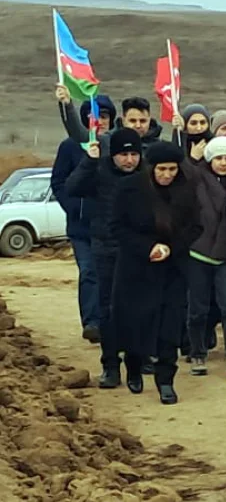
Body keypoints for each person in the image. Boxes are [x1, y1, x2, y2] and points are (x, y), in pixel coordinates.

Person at [109, 142, 200, 404]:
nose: (167, 175)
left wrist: (172, 248)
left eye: (172, 169)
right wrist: (148, 247)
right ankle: (134, 365)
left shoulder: (185, 190)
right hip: (136, 268)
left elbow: (195, 227)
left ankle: (166, 380)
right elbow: (117, 227)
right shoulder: (129, 189)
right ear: (151, 168)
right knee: (136, 322)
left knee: (170, 325)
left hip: (173, 269)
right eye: (162, 169)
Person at [65, 129, 144, 389]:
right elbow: (72, 187)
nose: (129, 160)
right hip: (105, 249)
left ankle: (136, 367)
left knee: (135, 310)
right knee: (107, 310)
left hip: (137, 251)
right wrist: (89, 160)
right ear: (114, 154)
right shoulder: (99, 171)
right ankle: (110, 366)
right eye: (124, 154)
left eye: (134, 154)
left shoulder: (146, 176)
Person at [184, 135, 226, 379]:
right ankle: (197, 352)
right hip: (198, 252)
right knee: (198, 307)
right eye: (219, 158)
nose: (224, 163)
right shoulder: (195, 177)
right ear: (210, 158)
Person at [51, 92, 116, 342]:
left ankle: (111, 320)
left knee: (110, 274)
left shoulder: (115, 145)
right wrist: (73, 207)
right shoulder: (70, 146)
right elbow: (59, 182)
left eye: (104, 116)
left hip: (110, 226)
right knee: (89, 271)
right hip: (81, 227)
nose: (97, 120)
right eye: (91, 115)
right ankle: (92, 322)